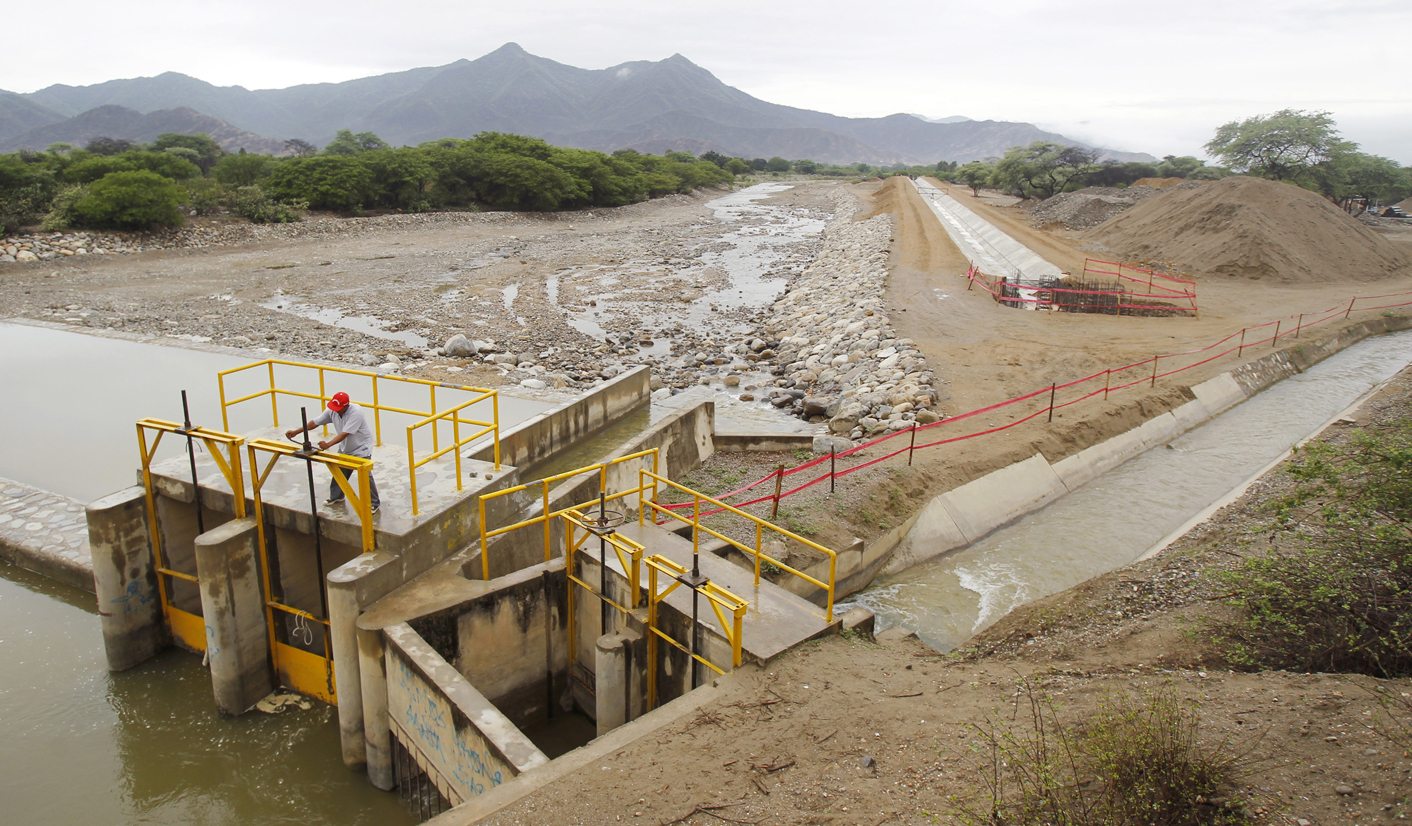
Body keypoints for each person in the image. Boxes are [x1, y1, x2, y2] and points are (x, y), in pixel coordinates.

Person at [285, 391, 380, 513]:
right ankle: (337, 497)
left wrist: (328, 444)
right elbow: (315, 422)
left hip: (361, 447)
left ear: (346, 406)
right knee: (339, 471)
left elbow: (345, 433)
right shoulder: (333, 410)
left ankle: (374, 503)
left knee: (365, 474)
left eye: (339, 408)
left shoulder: (356, 413)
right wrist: (296, 432)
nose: (336, 410)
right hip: (346, 447)